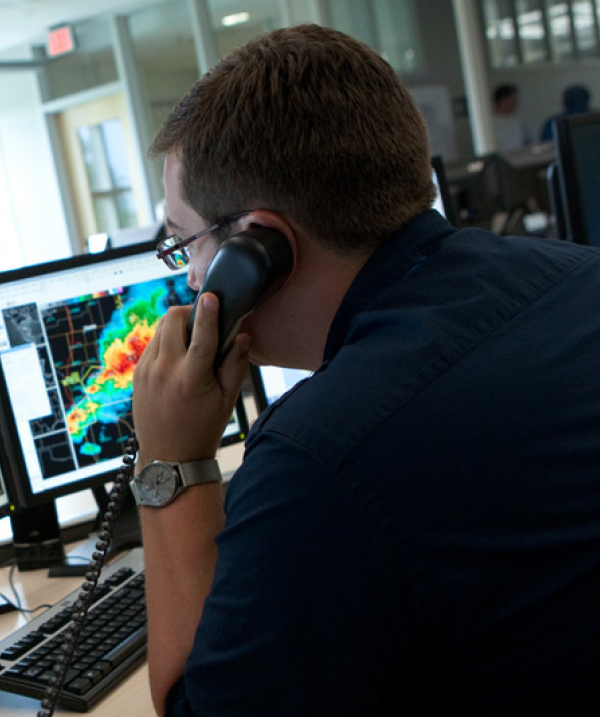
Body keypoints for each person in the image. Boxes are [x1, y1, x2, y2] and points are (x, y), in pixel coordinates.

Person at [133, 24, 600, 716]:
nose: (191, 278)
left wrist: (171, 460)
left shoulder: (319, 458)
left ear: (259, 249)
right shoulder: (576, 274)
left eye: (185, 244)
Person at [490, 82, 530, 152]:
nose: (516, 103)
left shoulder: (518, 120)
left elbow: (527, 141)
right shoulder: (489, 123)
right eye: (513, 100)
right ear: (503, 100)